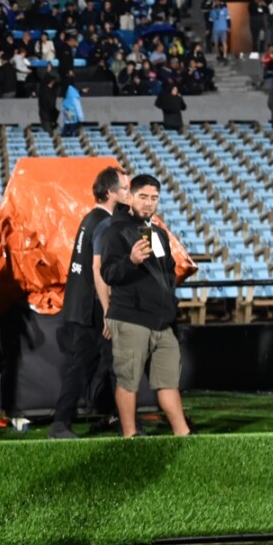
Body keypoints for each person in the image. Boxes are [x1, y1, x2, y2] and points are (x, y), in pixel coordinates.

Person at [99, 175, 191, 438]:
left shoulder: (158, 232)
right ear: (129, 197)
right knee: (128, 382)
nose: (149, 203)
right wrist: (131, 261)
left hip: (162, 322)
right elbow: (108, 273)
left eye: (154, 198)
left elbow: (169, 271)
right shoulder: (114, 231)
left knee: (168, 382)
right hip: (131, 318)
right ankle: (130, 436)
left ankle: (182, 434)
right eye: (143, 197)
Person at [49, 166, 127, 439]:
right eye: (125, 190)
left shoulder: (91, 219)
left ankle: (115, 417)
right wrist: (107, 310)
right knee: (93, 365)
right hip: (91, 308)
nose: (129, 195)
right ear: (110, 193)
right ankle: (62, 424)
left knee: (96, 364)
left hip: (81, 305)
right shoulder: (104, 223)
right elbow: (99, 270)